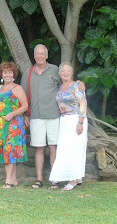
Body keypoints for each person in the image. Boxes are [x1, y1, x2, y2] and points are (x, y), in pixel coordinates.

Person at [21, 44, 85, 189]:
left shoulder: (55, 70)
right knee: (39, 148)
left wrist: (79, 84)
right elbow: (24, 94)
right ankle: (38, 179)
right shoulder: (28, 72)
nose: (39, 56)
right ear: (34, 55)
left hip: (54, 115)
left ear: (47, 55)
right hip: (36, 116)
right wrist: (26, 114)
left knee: (53, 147)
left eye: (42, 53)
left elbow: (67, 82)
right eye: (37, 53)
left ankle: (55, 180)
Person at [49, 62, 88, 191]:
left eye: (68, 71)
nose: (65, 73)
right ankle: (73, 176)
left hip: (76, 119)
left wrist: (80, 122)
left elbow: (83, 103)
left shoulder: (76, 85)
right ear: (60, 73)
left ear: (72, 73)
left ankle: (74, 180)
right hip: (64, 120)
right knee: (65, 149)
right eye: (63, 71)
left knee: (75, 149)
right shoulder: (60, 87)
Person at [0, 62, 28, 188]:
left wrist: (12, 114)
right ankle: (13, 180)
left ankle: (8, 181)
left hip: (14, 125)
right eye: (5, 72)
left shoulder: (17, 88)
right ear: (1, 74)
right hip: (2, 125)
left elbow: (25, 106)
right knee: (7, 152)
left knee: (9, 152)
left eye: (10, 72)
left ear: (13, 74)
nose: (7, 75)